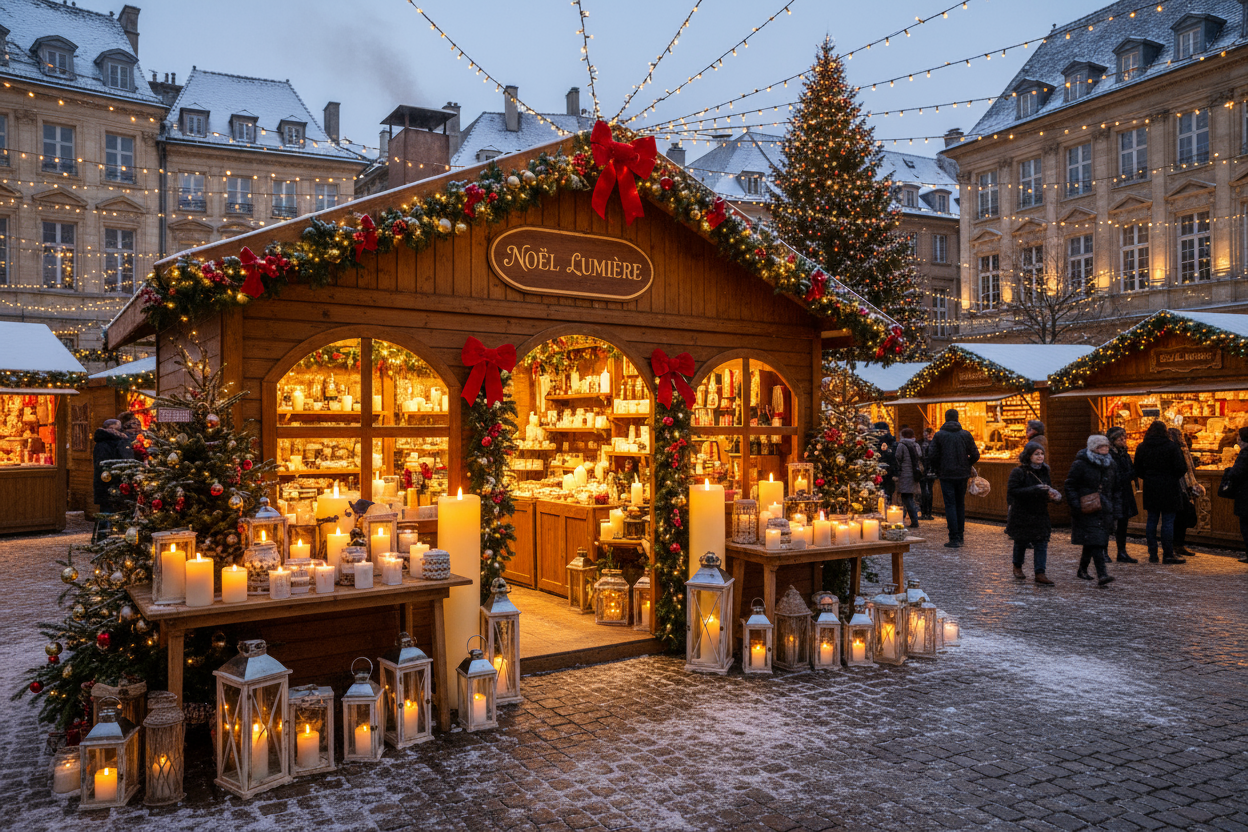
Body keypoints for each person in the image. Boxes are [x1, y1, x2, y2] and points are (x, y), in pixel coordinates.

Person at [1064, 434, 1120, 586]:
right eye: (1101, 446)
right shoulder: (1081, 464)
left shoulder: (1111, 464)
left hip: (1104, 507)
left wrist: (1116, 507)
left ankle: (1082, 569)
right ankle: (1102, 574)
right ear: (1094, 448)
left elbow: (1116, 488)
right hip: (1087, 507)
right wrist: (1076, 504)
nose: (1105, 449)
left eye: (1106, 446)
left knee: (1093, 540)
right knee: (1097, 540)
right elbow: (1070, 485)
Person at [1133, 421, 1187, 564]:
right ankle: (1168, 554)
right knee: (1168, 521)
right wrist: (1171, 477)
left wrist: (1149, 476)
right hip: (1169, 486)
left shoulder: (1142, 447)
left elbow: (1137, 468)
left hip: (1151, 485)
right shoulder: (1172, 447)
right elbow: (1181, 467)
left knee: (1152, 520)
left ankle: (1153, 553)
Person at [1006, 442, 1059, 585]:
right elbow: (1013, 491)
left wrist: (1052, 496)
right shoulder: (1019, 472)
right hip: (1022, 512)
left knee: (1042, 541)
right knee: (1021, 541)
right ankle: (1017, 566)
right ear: (1028, 456)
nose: (1040, 456)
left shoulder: (1045, 470)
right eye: (1037, 454)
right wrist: (1034, 489)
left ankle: (1040, 573)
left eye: (1042, 454)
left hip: (1040, 511)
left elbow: (1046, 487)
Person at [929, 408, 980, 548]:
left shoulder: (939, 435)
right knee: (960, 504)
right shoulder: (966, 435)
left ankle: (954, 537)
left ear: (945, 419)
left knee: (950, 505)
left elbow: (932, 455)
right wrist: (966, 464)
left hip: (946, 474)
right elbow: (975, 454)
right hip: (962, 474)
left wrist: (939, 467)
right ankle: (961, 535)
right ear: (958, 418)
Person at [1168, 426, 1204, 557]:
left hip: (1182, 487)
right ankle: (1176, 545)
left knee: (1179, 518)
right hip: (1180, 487)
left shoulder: (1181, 450)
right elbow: (1186, 470)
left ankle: (1177, 545)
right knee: (1179, 518)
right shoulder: (1177, 450)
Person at [1106, 427, 1139, 563]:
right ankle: (1103, 552)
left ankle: (1122, 552)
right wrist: (1130, 474)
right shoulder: (1108, 455)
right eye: (1120, 439)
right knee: (1109, 523)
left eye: (1124, 438)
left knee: (1123, 523)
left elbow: (1129, 468)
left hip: (1124, 492)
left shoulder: (1124, 453)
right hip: (1113, 493)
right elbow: (1114, 475)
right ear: (1113, 440)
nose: (1124, 441)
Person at [92, 418, 133, 513]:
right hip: (108, 482)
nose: (117, 431)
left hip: (120, 482)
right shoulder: (103, 444)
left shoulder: (123, 441)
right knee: (107, 509)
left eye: (119, 429)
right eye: (115, 429)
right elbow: (102, 465)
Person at [1222, 426, 1248, 563]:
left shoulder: (1245, 454)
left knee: (1245, 524)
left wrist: (1228, 471)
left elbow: (1236, 473)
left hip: (1245, 494)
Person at [894, 427, 923, 529]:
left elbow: (898, 457)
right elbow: (920, 455)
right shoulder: (916, 445)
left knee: (906, 498)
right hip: (914, 474)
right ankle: (906, 519)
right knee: (909, 497)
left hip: (905, 474)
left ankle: (913, 520)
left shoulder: (901, 445)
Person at [873, 421, 897, 504]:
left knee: (887, 492)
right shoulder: (874, 442)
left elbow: (894, 458)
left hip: (888, 473)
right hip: (877, 472)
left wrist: (886, 451)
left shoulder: (892, 443)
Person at [919, 427, 936, 520]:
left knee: (925, 491)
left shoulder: (921, 443)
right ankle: (928, 512)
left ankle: (925, 512)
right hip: (931, 470)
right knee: (928, 491)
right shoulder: (935, 444)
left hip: (925, 469)